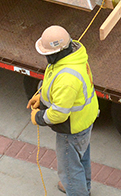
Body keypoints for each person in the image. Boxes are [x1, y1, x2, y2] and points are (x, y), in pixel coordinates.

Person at [28, 26, 99, 196]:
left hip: (72, 129)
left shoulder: (68, 77)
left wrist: (38, 117)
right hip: (83, 120)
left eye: (48, 53)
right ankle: (83, 188)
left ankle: (77, 190)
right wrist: (42, 97)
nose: (46, 57)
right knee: (81, 159)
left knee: (69, 170)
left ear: (58, 51)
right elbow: (55, 81)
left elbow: (59, 114)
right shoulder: (71, 58)